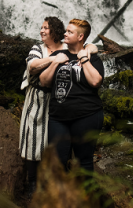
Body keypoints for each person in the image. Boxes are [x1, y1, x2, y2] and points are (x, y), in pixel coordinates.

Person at [19, 17, 97, 195]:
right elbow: (32, 66)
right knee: (33, 137)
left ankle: (55, 180)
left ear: (54, 31)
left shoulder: (66, 47)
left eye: (45, 28)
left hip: (58, 99)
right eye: (41, 28)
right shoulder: (38, 49)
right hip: (37, 97)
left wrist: (89, 50)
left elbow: (89, 46)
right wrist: (54, 60)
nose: (41, 31)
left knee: (53, 141)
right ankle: (32, 181)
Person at [39, 19, 105, 173]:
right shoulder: (58, 54)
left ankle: (86, 196)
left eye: (69, 32)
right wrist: (56, 62)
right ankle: (61, 197)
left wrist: (83, 58)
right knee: (57, 161)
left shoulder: (93, 57)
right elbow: (44, 81)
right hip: (58, 117)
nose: (64, 34)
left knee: (84, 161)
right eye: (66, 31)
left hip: (87, 115)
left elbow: (96, 82)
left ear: (80, 37)